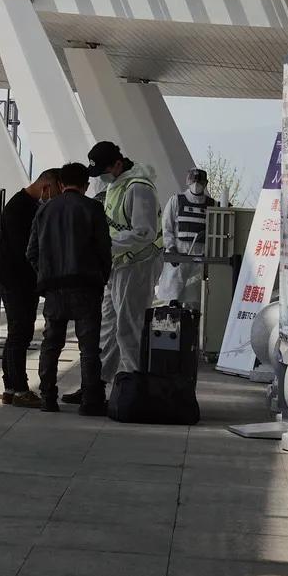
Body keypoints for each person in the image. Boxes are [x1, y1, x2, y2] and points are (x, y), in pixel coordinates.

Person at [27, 162, 112, 414]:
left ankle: (48, 398)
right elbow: (104, 250)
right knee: (88, 348)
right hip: (86, 287)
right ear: (86, 185)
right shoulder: (93, 209)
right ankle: (90, 401)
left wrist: (46, 275)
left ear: (61, 184)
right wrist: (101, 278)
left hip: (54, 288)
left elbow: (31, 252)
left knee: (51, 344)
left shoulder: (45, 210)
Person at [83, 140, 165, 394]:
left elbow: (145, 232)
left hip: (137, 264)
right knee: (109, 325)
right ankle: (98, 382)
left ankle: (134, 384)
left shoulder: (138, 188)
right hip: (118, 263)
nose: (101, 179)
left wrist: (106, 245)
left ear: (118, 164)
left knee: (129, 325)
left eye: (104, 172)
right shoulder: (117, 184)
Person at [0, 169, 60, 405]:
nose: (55, 198)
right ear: (46, 186)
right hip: (16, 280)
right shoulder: (21, 208)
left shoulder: (23, 204)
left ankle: (11, 388)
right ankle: (20, 389)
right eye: (56, 191)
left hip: (16, 278)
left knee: (17, 334)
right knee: (19, 334)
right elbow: (28, 249)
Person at [157, 168, 212, 303]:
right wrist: (171, 248)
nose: (196, 183)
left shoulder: (212, 205)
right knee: (172, 296)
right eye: (194, 180)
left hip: (201, 256)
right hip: (179, 254)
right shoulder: (176, 200)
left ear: (205, 183)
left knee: (194, 297)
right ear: (188, 181)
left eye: (200, 181)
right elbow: (167, 227)